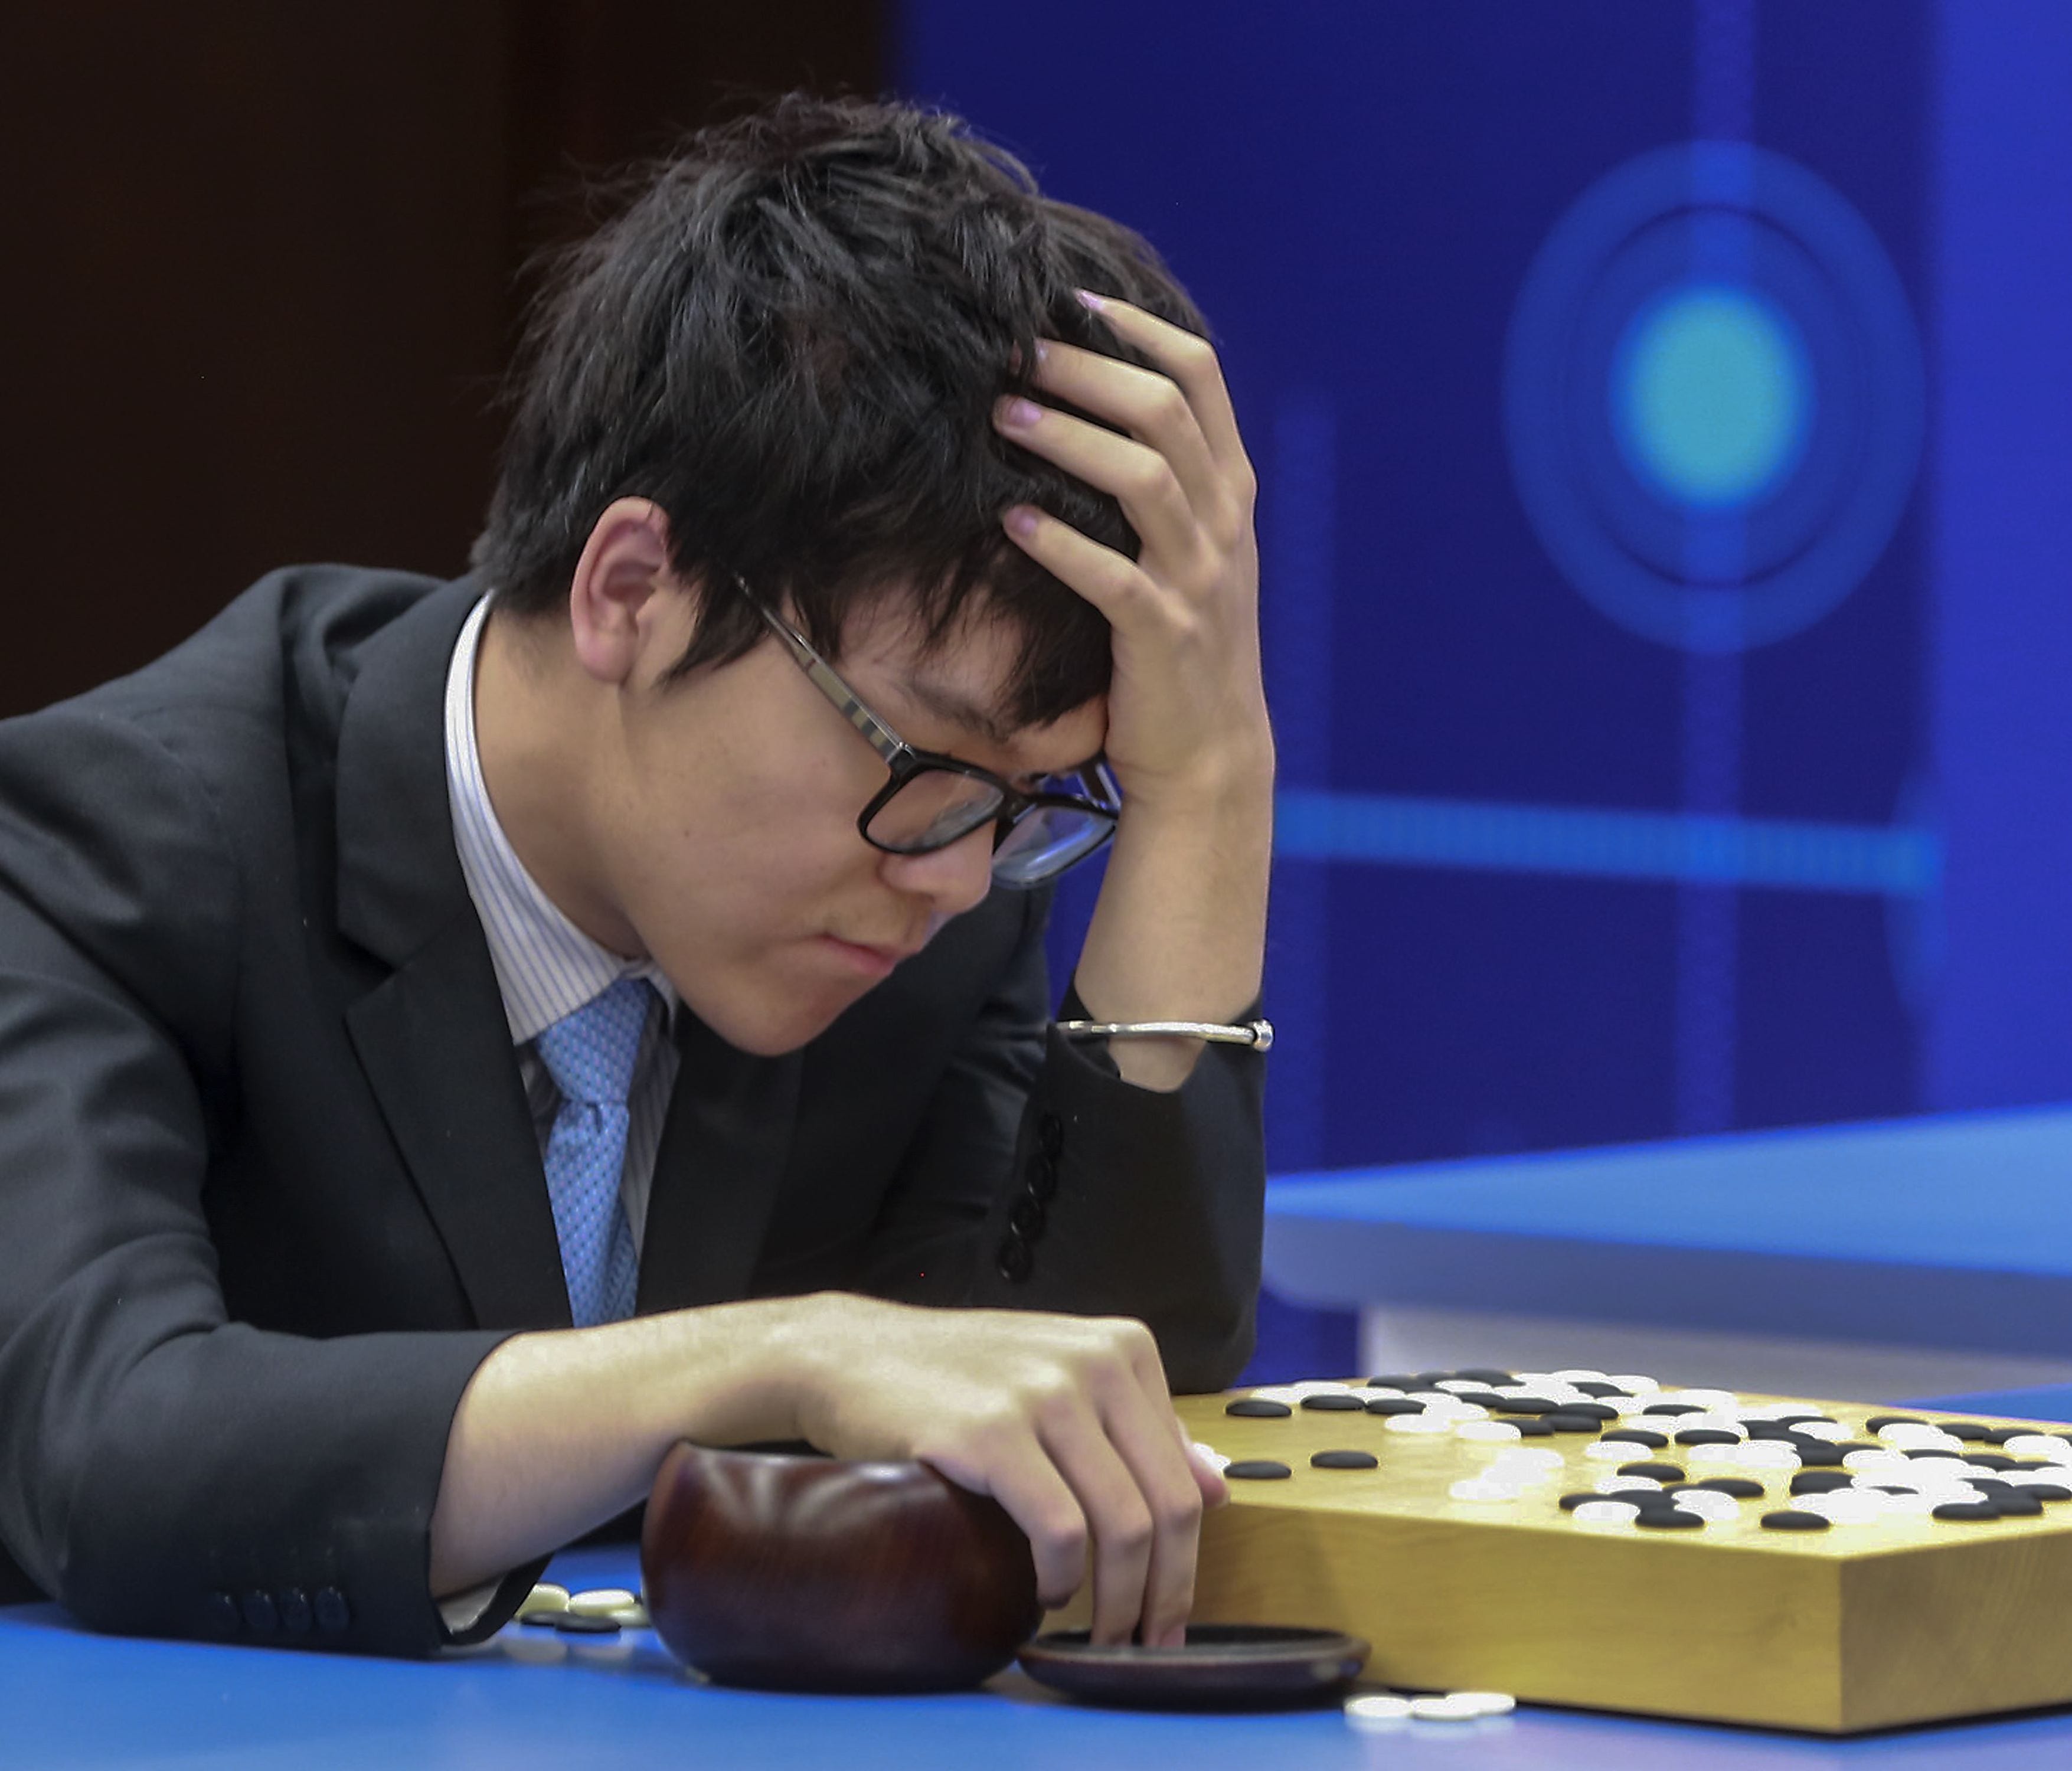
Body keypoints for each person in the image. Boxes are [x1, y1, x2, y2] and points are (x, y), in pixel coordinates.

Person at [0, 94, 1272, 1656]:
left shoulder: (922, 879)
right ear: (632, 591)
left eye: (1030, 804)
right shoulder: (99, 849)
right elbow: (106, 1444)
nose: (961, 879)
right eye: (933, 764)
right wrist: (771, 1358)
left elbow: (1089, 1416)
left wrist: (1209, 789)